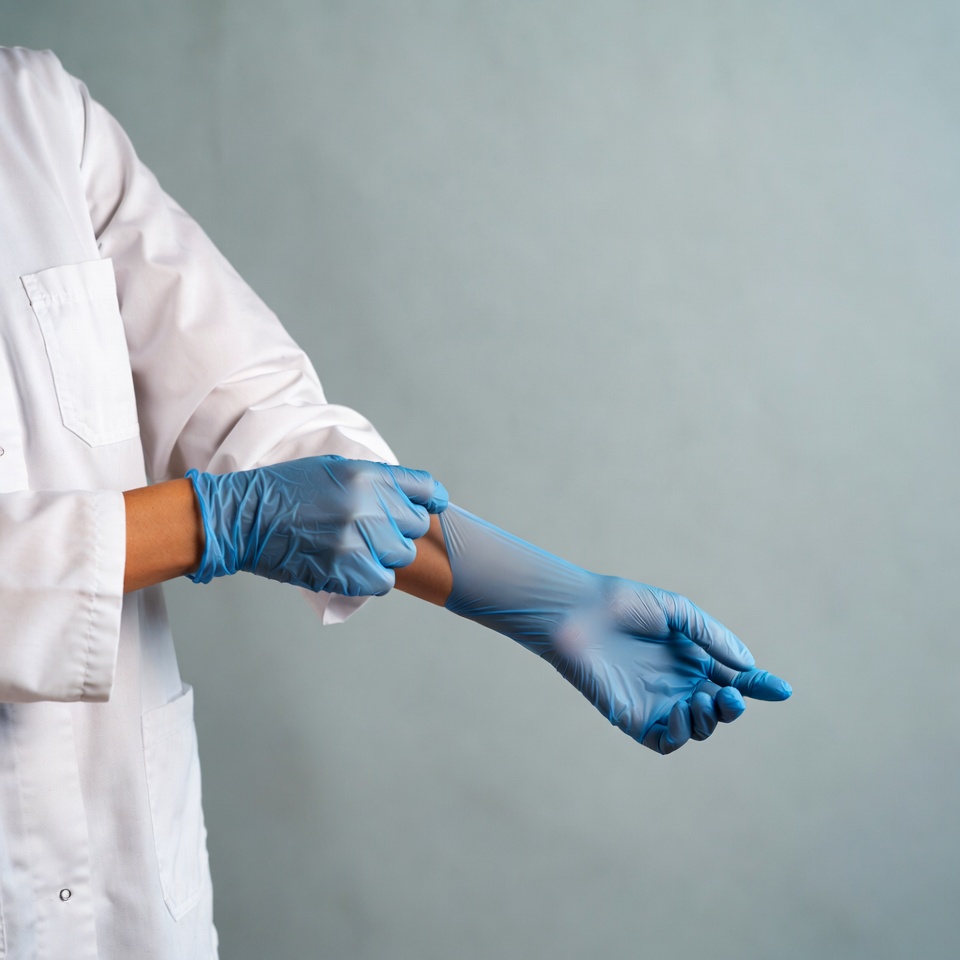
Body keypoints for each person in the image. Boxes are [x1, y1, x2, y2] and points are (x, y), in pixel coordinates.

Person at [0, 46, 790, 960]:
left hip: (123, 896)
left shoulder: (36, 112)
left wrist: (548, 598)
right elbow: (256, 503)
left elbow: (254, 411)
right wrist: (214, 521)